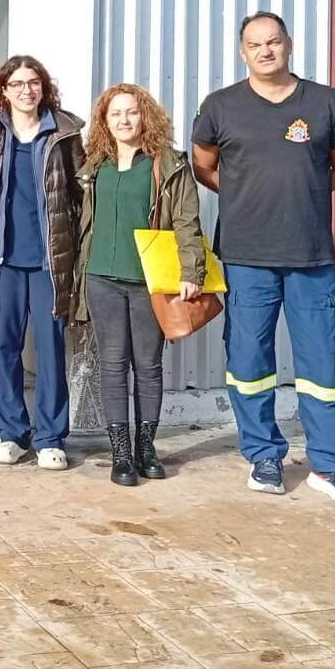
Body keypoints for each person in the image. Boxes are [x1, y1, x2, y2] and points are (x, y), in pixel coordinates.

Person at [192, 11, 335, 504]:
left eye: (273, 42)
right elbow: (203, 166)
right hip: (246, 255)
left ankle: (331, 467)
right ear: (242, 52)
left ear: (288, 44)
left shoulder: (327, 102)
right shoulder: (220, 106)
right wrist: (248, 193)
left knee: (323, 365)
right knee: (249, 362)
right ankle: (263, 457)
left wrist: (301, 192)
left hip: (310, 255)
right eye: (255, 44)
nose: (265, 51)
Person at [72, 83, 205, 485]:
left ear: (145, 116)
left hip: (150, 281)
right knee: (113, 365)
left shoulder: (168, 164)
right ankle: (121, 455)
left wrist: (191, 272)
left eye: (131, 112)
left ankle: (146, 448)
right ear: (104, 121)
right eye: (115, 113)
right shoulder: (96, 165)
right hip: (101, 277)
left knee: (147, 365)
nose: (124, 120)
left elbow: (186, 222)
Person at [0, 56, 85, 470]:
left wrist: (78, 253)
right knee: (5, 347)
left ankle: (51, 437)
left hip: (48, 261)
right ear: (3, 90)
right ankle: (11, 433)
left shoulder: (64, 132)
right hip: (3, 259)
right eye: (17, 84)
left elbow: (80, 195)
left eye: (33, 82)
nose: (26, 90)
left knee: (51, 348)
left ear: (43, 87)